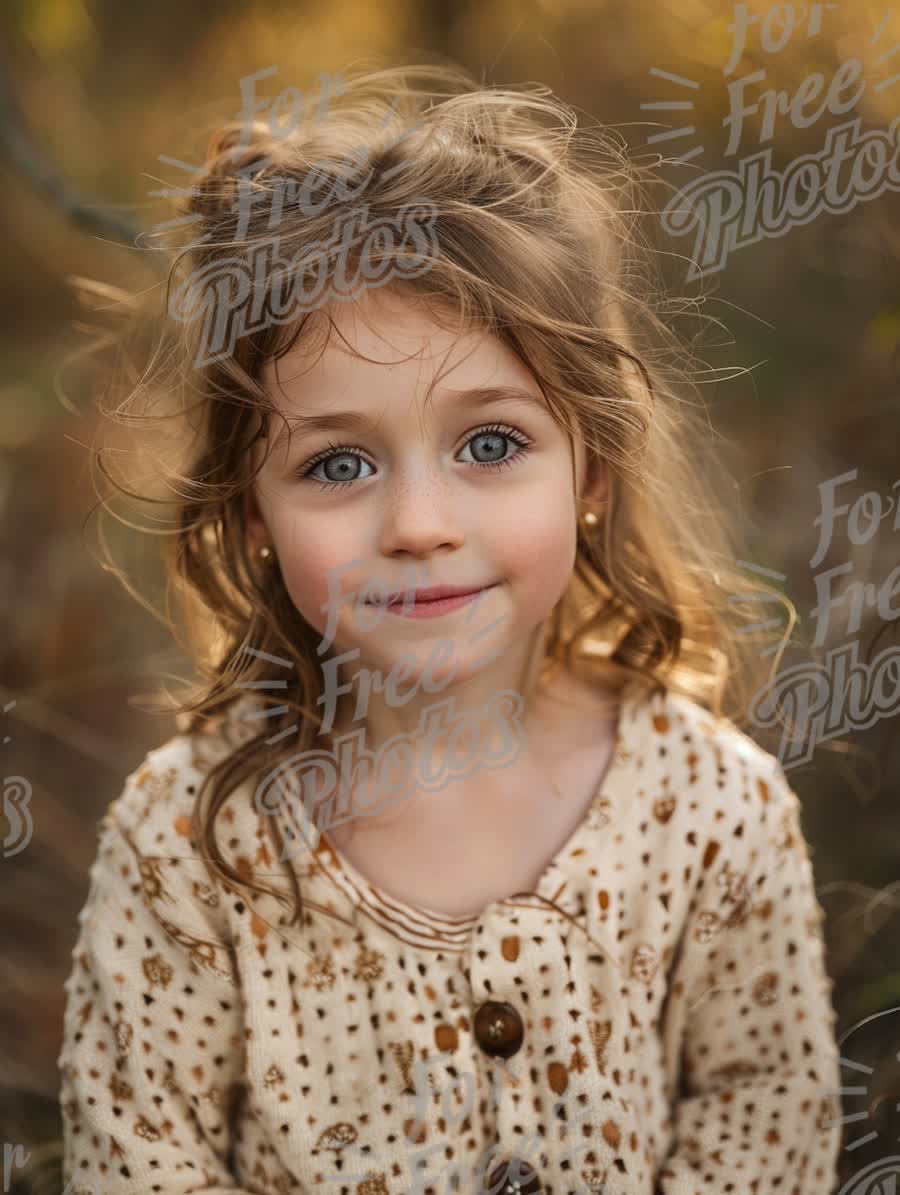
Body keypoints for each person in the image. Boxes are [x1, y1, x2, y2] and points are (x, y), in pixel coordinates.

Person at [58, 62, 842, 1194]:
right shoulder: (190, 840)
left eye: (489, 444)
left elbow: (765, 1113)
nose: (420, 525)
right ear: (253, 516)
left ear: (595, 470)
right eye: (338, 463)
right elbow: (140, 1153)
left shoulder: (711, 809)